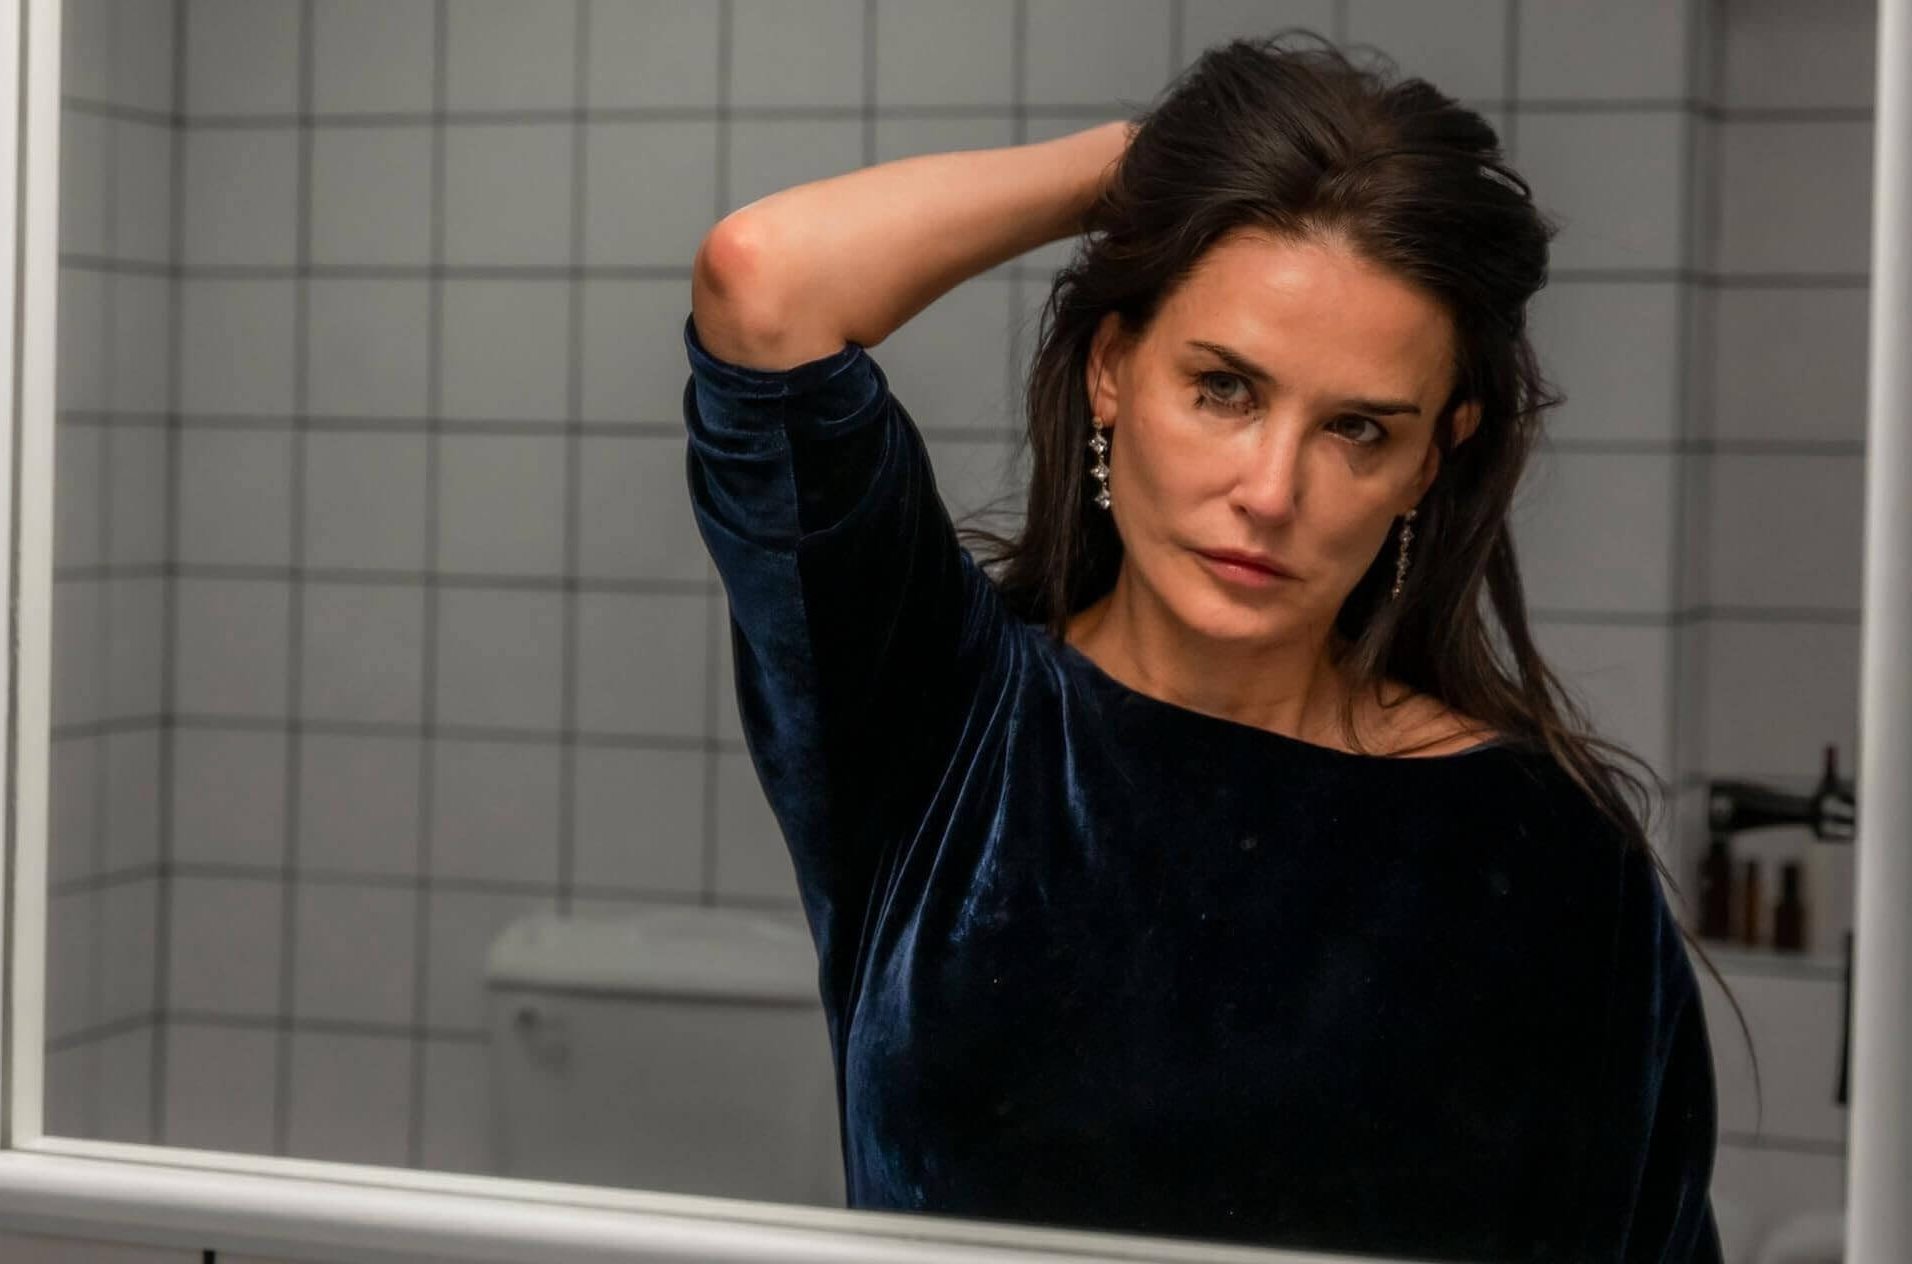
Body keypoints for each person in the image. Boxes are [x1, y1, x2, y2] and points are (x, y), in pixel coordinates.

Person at [682, 30, 1731, 1264]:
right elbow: (766, 282)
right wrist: (1156, 163)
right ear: (1113, 369)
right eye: (1225, 388)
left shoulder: (1545, 856)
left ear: (1428, 462)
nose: (1272, 491)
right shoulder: (941, 716)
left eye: (1356, 428)